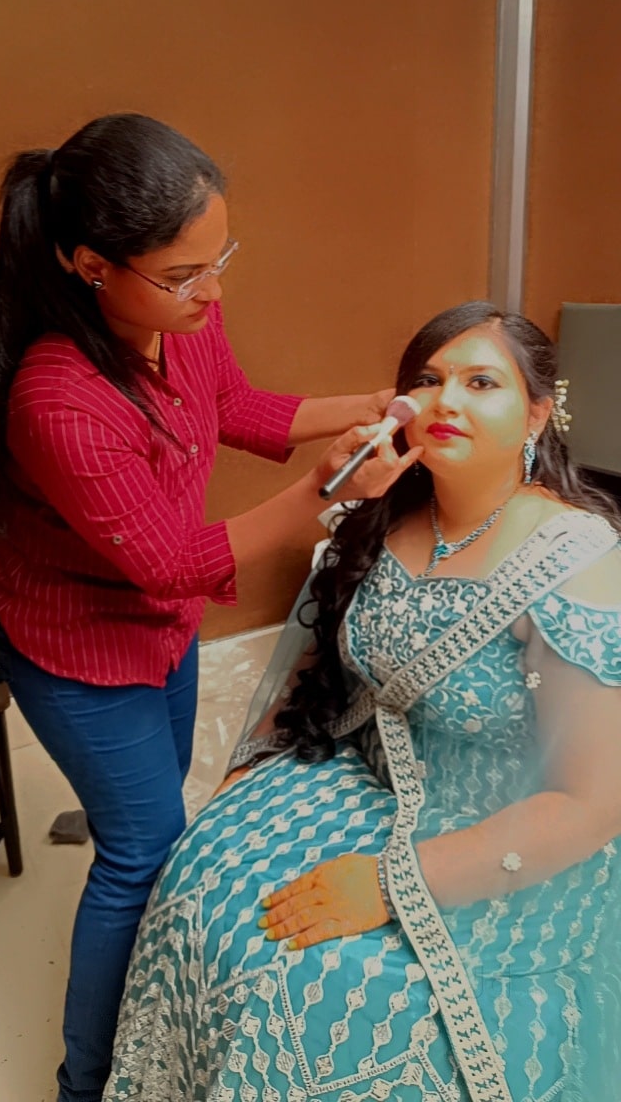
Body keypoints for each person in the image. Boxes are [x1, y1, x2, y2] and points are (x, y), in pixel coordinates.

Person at [0, 112, 418, 1102]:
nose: (214, 290)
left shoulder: (178, 321)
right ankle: (87, 1083)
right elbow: (167, 562)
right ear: (90, 265)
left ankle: (150, 1009)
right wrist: (326, 489)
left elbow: (236, 405)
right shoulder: (56, 399)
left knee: (158, 817)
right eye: (185, 273)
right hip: (74, 646)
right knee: (141, 850)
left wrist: (374, 405)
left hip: (159, 627)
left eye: (220, 259)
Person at [103, 301, 621, 1102]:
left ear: (538, 414)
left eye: (482, 383)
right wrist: (250, 768)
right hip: (368, 772)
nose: (447, 401)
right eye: (429, 379)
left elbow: (590, 804)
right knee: (199, 880)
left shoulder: (574, 560)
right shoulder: (383, 516)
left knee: (324, 983)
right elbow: (318, 673)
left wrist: (390, 883)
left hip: (506, 829)